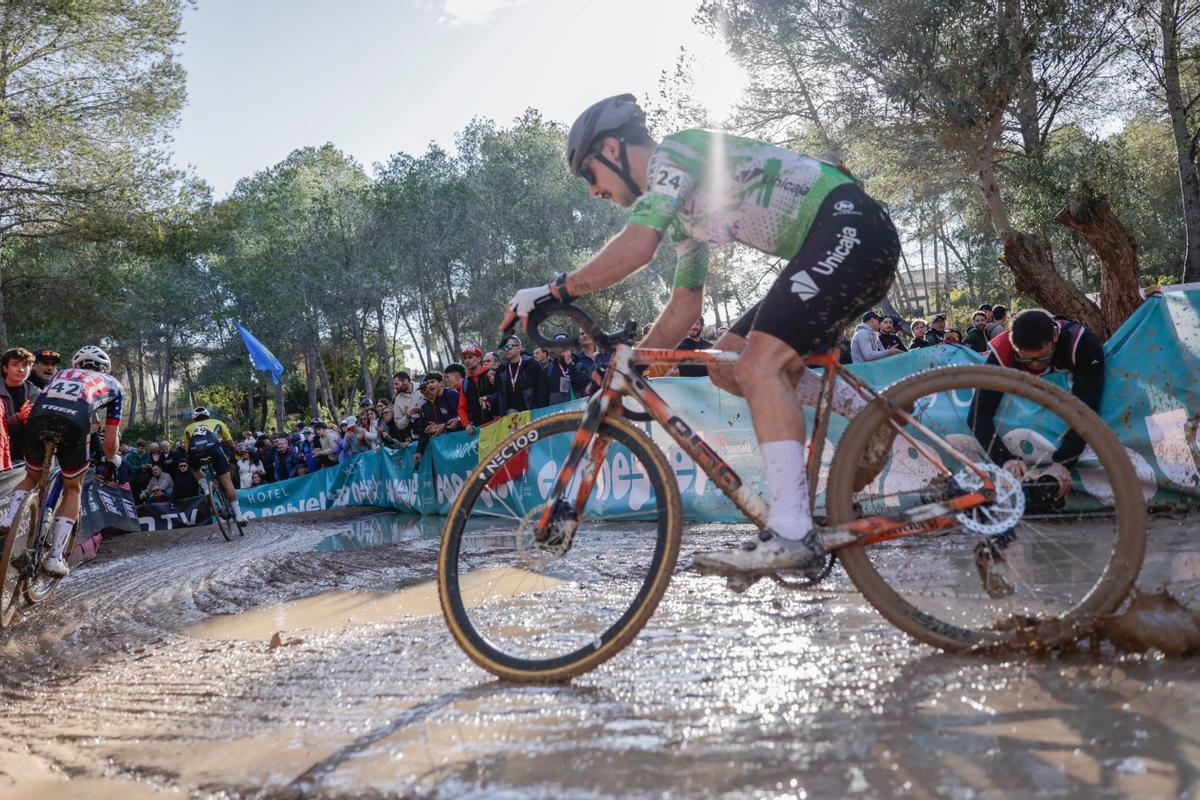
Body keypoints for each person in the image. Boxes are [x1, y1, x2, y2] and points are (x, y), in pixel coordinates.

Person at [503, 94, 901, 577]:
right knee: (726, 361)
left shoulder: (674, 155)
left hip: (848, 227)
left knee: (759, 365)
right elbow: (685, 305)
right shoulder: (689, 218)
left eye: (589, 173)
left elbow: (637, 246)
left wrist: (553, 290)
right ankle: (870, 416)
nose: (592, 190)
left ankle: (793, 532)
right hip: (837, 239)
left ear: (612, 148)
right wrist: (636, 369)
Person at [0, 346, 123, 577]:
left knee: (31, 476)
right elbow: (109, 443)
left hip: (39, 417)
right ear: (105, 368)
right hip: (74, 424)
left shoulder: (60, 374)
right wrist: (112, 457)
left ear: (76, 365)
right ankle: (55, 558)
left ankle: (8, 520)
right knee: (73, 488)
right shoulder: (114, 384)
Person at [970, 309, 1104, 499]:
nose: (1035, 365)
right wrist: (1004, 460)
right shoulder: (1003, 350)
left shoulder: (1081, 343)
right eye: (1025, 359)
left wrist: (1064, 462)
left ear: (1055, 336)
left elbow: (1087, 409)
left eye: (1042, 357)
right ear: (1013, 344)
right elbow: (977, 413)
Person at [183, 406, 247, 524]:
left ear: (194, 418)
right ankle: (238, 515)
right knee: (226, 481)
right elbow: (230, 442)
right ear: (208, 415)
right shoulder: (217, 422)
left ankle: (205, 487)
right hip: (214, 450)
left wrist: (193, 461)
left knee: (194, 469)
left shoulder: (188, 428)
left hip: (195, 452)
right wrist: (233, 455)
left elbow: (188, 450)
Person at [0, 347, 41, 463]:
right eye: (14, 365)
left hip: (30, 456)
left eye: (25, 365)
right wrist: (18, 418)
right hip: (4, 458)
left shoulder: (36, 393)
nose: (21, 369)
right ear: (5, 368)